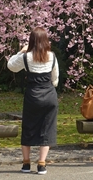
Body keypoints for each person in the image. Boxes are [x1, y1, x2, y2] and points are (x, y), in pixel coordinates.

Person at [7, 27, 59, 175]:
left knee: (29, 127)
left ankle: (26, 164)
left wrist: (21, 51)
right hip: (49, 95)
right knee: (47, 128)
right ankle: (41, 164)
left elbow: (10, 66)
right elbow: (55, 79)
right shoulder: (52, 56)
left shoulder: (26, 57)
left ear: (31, 41)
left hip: (32, 96)